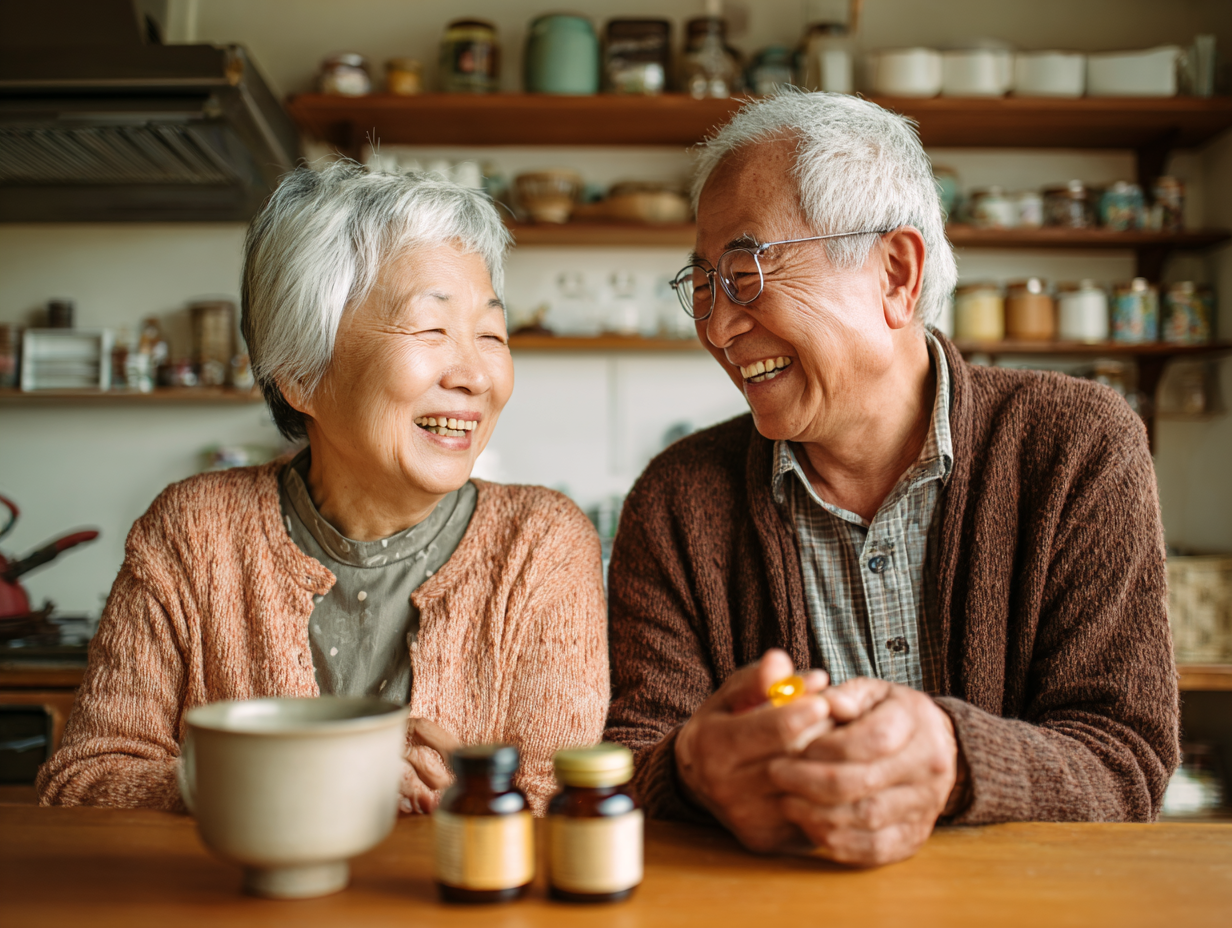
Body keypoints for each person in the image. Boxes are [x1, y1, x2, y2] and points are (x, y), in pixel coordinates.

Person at [603, 92, 1178, 866]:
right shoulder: (680, 498)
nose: (716, 326)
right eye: (703, 284)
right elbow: (632, 762)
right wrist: (692, 770)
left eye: (745, 271)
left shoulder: (1074, 445)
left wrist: (953, 759)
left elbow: (1126, 762)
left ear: (895, 273)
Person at [38, 163, 609, 814]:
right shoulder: (194, 531)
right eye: (432, 331)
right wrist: (290, 781)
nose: (477, 375)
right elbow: (83, 782)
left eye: (491, 334)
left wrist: (466, 804)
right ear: (301, 376)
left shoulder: (541, 544)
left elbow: (564, 800)